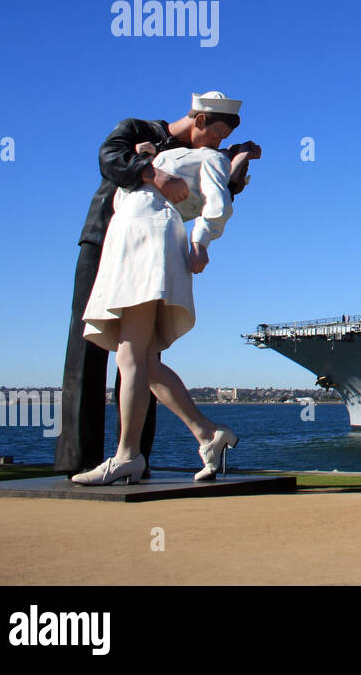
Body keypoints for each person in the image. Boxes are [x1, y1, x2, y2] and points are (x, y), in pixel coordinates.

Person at [71, 92, 258, 485]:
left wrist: (202, 239)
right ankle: (206, 433)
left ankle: (127, 455)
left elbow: (215, 201)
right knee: (139, 359)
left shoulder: (211, 157)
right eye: (217, 133)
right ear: (200, 120)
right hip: (118, 240)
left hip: (146, 240)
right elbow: (111, 159)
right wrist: (150, 161)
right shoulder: (144, 136)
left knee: (131, 355)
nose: (218, 142)